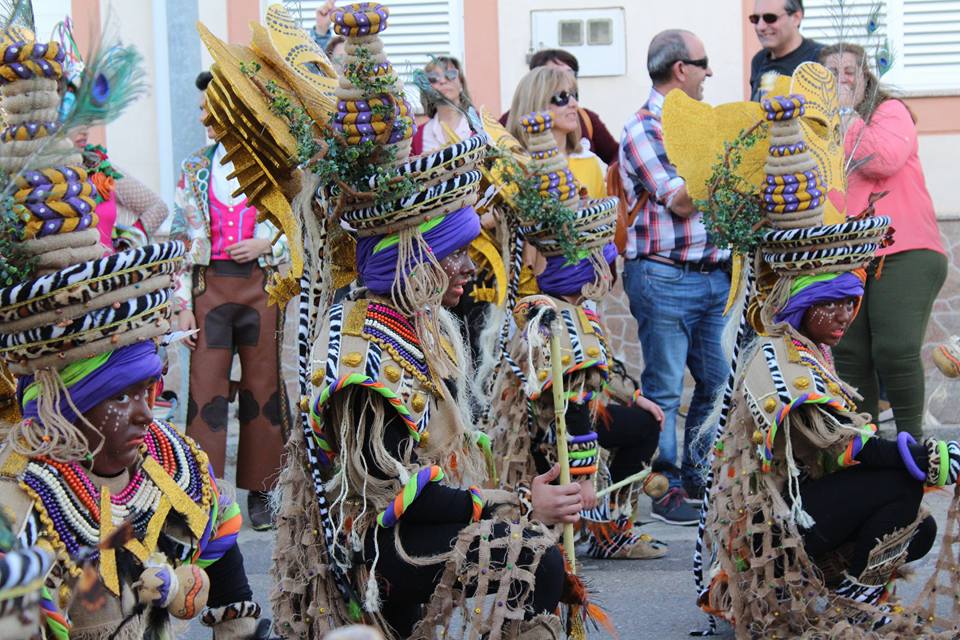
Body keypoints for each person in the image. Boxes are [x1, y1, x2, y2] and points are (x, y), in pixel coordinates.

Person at [199, 5, 580, 638]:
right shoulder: (364, 355)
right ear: (409, 262)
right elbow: (401, 495)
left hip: (419, 526)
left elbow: (453, 459)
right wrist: (515, 503)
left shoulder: (419, 329)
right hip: (379, 551)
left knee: (534, 549)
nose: (466, 268)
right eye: (451, 254)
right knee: (531, 556)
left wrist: (518, 494)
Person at [0, 25, 270, 638]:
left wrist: (178, 584)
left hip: (96, 309)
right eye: (118, 398)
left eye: (144, 391)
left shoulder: (175, 466)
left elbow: (238, 614)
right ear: (64, 410)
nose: (148, 415)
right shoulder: (18, 508)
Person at [665, 84, 957, 636]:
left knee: (912, 529)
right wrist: (919, 454)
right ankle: (839, 605)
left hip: (795, 516)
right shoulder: (777, 357)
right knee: (900, 489)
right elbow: (841, 444)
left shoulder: (807, 349)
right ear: (801, 304)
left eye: (853, 302)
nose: (848, 316)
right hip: (768, 535)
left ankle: (829, 587)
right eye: (833, 305)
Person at [492, 111, 669, 560]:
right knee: (639, 427)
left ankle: (607, 527)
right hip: (547, 440)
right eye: (599, 256)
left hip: (560, 427)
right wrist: (584, 477)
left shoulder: (561, 311)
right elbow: (568, 413)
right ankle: (606, 530)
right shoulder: (557, 321)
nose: (606, 267)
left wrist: (632, 396)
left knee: (643, 418)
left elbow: (596, 373)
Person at [170, 71, 291, 532]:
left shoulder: (269, 165)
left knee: (263, 389)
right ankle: (203, 491)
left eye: (212, 107)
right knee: (205, 389)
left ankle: (262, 491)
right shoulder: (195, 167)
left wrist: (267, 246)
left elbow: (295, 224)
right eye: (203, 108)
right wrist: (181, 303)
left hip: (260, 287)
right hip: (209, 288)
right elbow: (182, 235)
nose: (204, 116)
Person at [618, 29, 729, 524]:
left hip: (714, 275)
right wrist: (732, 165)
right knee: (663, 386)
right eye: (704, 63)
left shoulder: (705, 124)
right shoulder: (644, 127)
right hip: (663, 275)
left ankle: (699, 473)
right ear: (680, 69)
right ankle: (664, 485)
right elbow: (681, 200)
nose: (710, 73)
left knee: (718, 382)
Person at [821, 43, 947, 439]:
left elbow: (882, 159)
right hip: (846, 254)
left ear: (865, 78)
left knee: (893, 349)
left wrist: (844, 114)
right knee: (849, 356)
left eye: (848, 71)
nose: (840, 79)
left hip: (904, 251)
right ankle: (868, 454)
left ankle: (914, 453)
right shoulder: (814, 129)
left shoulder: (889, 113)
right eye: (830, 73)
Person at [499, 48, 619, 165]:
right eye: (561, 96)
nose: (573, 103)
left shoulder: (586, 119)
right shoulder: (512, 121)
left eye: (570, 72)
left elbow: (615, 154)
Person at [507, 67, 607, 198]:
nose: (574, 103)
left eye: (574, 95)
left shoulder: (589, 161)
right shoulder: (511, 165)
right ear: (536, 102)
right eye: (562, 97)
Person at [749, 0, 823, 100]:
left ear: (796, 18)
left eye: (770, 18)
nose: (760, 26)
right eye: (755, 19)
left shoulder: (820, 57)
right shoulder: (759, 59)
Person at [411, 56, 474, 155]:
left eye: (450, 74)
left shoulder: (482, 125)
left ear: (461, 83)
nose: (443, 81)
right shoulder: (417, 137)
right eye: (433, 78)